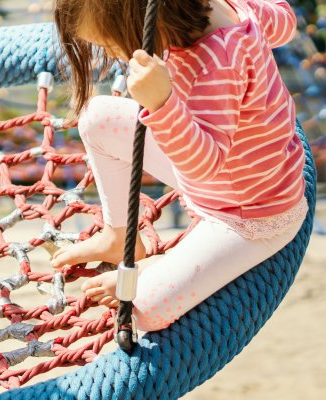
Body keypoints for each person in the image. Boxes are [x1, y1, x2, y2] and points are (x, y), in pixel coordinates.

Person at [50, 0, 307, 331]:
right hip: (229, 175)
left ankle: (160, 265)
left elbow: (204, 166)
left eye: (113, 43)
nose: (115, 55)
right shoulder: (222, 6)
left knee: (146, 311)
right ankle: (119, 236)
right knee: (97, 118)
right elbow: (284, 22)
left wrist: (162, 104)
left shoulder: (216, 63)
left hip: (248, 213)